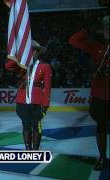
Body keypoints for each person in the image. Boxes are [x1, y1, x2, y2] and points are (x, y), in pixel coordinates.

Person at [68, 15, 109, 170]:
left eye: (108, 27)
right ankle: (103, 158)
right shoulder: (95, 46)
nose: (106, 30)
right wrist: (89, 30)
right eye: (104, 27)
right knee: (101, 127)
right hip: (100, 94)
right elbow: (73, 40)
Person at [5, 40, 52, 150]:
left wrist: (46, 104)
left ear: (37, 52)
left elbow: (47, 87)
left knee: (36, 126)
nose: (31, 53)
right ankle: (28, 148)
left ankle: (35, 149)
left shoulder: (45, 66)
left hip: (37, 101)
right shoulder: (22, 66)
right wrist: (19, 55)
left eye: (33, 51)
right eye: (28, 51)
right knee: (26, 125)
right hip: (22, 101)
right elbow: (8, 65)